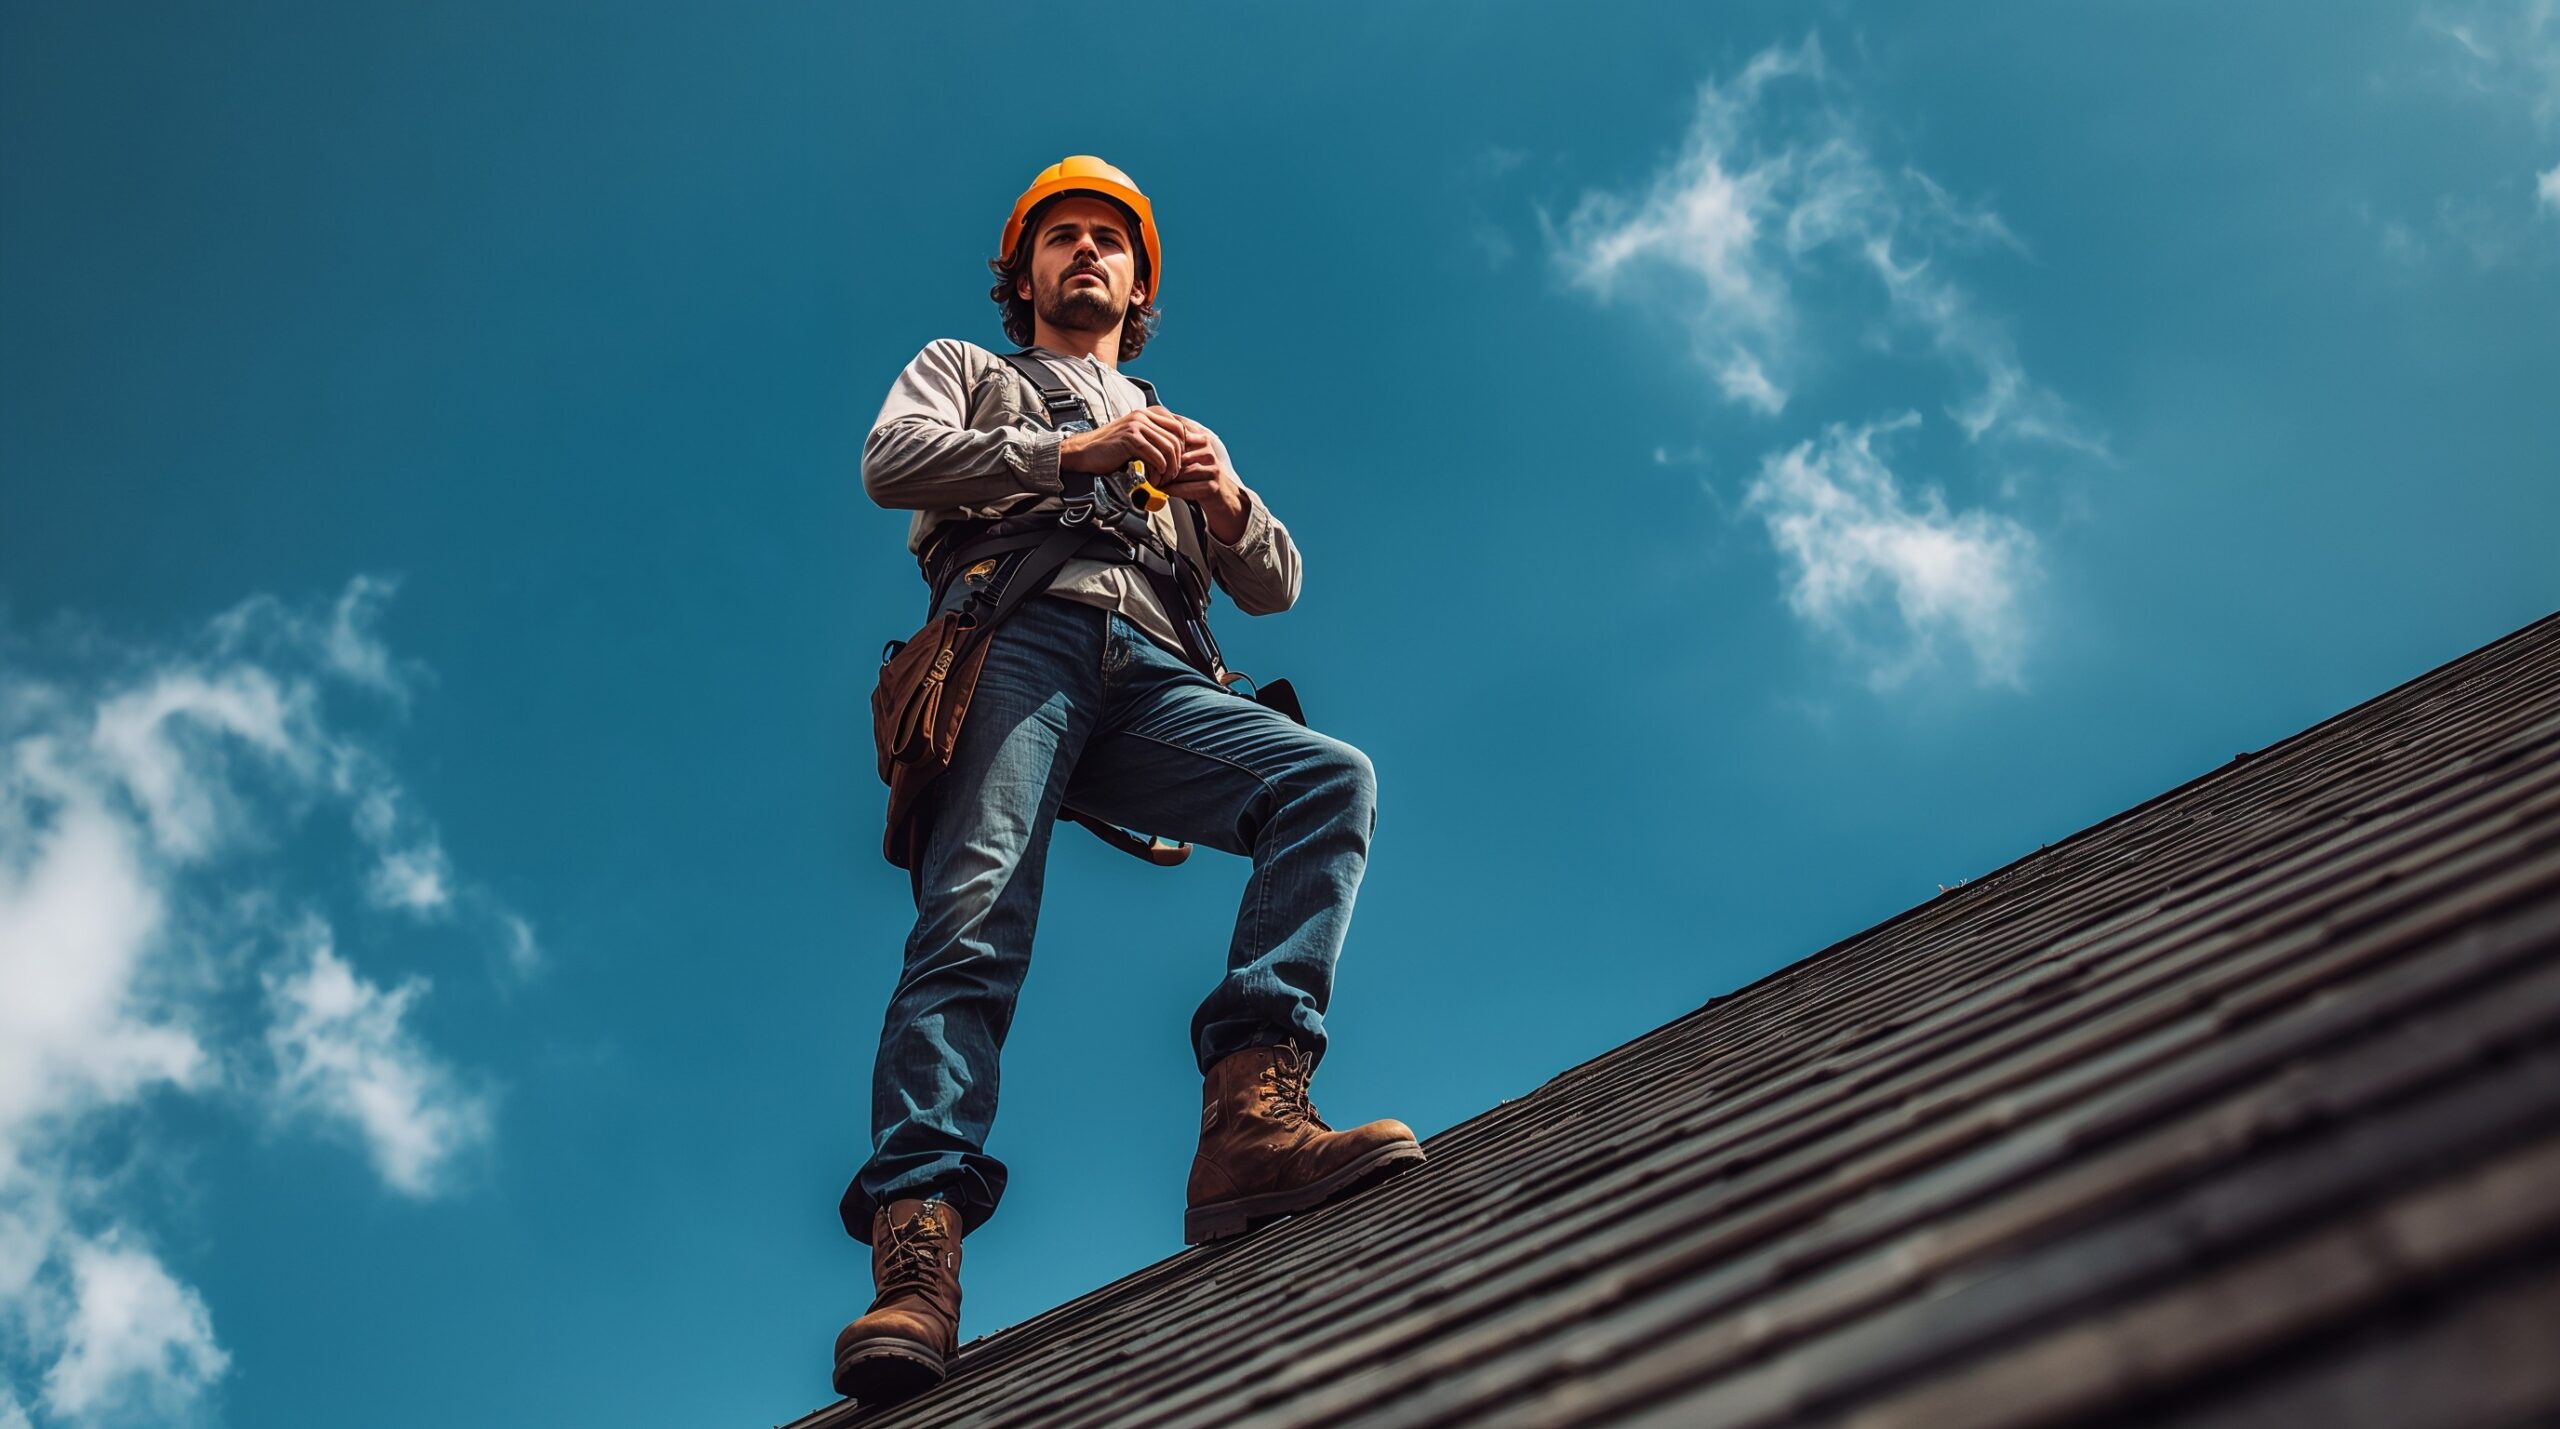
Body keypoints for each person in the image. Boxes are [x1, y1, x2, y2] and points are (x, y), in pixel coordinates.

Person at [831, 156, 1423, 1406]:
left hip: (1155, 670)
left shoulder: (1175, 424)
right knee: (973, 917)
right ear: (1026, 274)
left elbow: (1275, 584)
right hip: (1017, 640)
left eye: (1111, 240)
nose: (1087, 253)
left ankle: (1252, 1117)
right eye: (1063, 239)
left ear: (1138, 281)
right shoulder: (970, 370)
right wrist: (1073, 447)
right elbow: (894, 457)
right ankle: (916, 1248)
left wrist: (1224, 493)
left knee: (1326, 782)